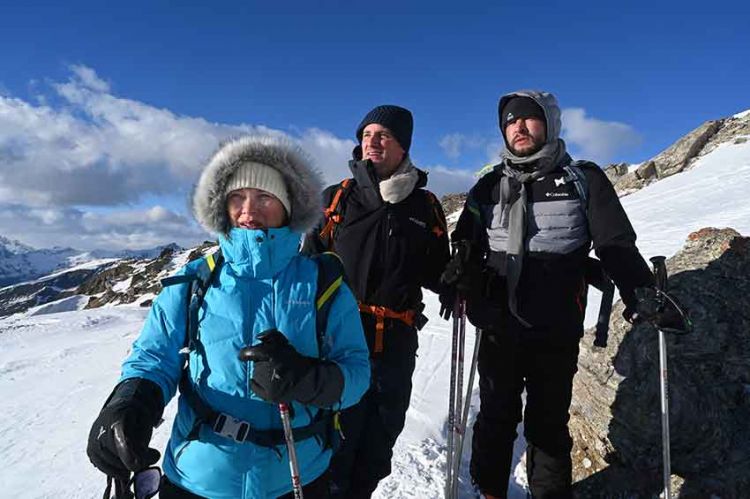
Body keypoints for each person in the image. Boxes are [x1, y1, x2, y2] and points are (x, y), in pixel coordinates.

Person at [87, 136, 371, 499]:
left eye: (265, 197)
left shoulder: (322, 284)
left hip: (295, 477)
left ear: (290, 208)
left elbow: (357, 373)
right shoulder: (195, 280)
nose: (248, 211)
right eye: (237, 197)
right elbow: (154, 358)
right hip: (197, 477)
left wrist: (307, 379)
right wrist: (129, 404)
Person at [442, 90, 656, 498]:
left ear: (550, 124)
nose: (518, 127)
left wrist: (641, 293)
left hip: (555, 326)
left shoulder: (583, 180)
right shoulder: (487, 186)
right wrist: (459, 277)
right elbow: (466, 244)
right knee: (495, 419)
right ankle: (490, 492)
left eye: (528, 118)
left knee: (547, 426)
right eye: (510, 121)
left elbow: (614, 245)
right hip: (498, 325)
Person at [303, 105, 450, 498]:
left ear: (403, 145)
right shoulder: (337, 199)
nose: (372, 142)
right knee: (335, 444)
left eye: (383, 134)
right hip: (339, 341)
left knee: (379, 443)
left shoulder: (425, 206)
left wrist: (460, 279)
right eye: (367, 135)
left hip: (396, 343)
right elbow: (306, 268)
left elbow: (438, 272)